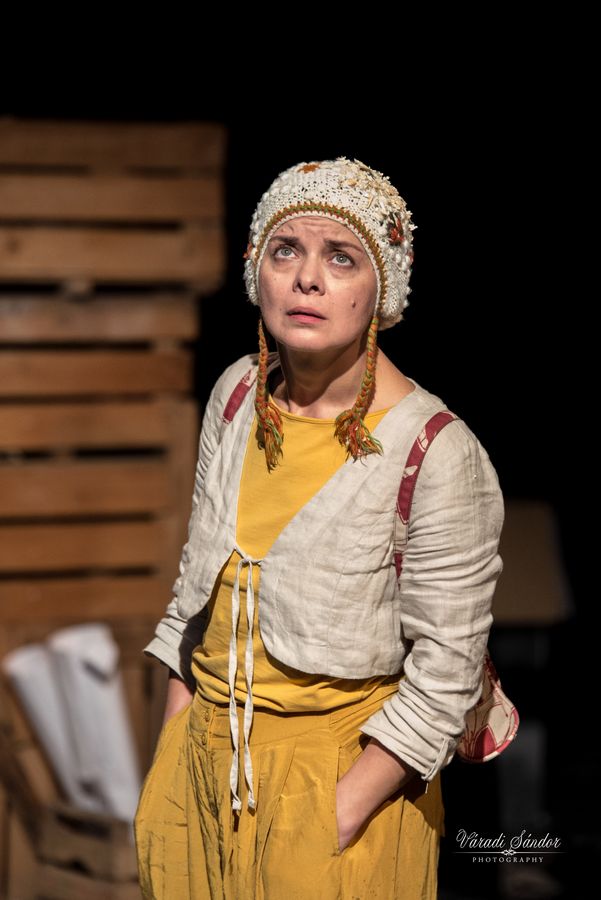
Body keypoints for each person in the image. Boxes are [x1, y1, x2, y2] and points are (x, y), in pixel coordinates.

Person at [134, 157, 505, 899]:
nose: (307, 279)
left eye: (341, 257)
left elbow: (446, 672)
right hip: (197, 777)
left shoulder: (433, 450)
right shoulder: (237, 396)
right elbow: (196, 597)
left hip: (339, 790)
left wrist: (335, 814)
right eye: (285, 251)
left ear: (382, 287)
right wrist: (171, 757)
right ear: (257, 271)